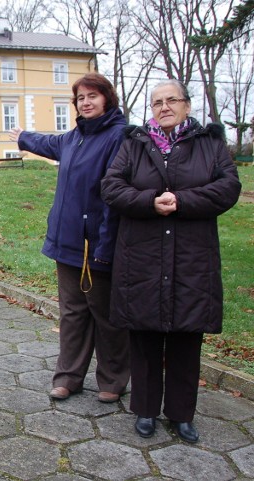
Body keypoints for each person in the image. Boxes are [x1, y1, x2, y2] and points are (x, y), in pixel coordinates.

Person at [101, 80, 241, 443]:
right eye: (156, 102)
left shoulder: (209, 143)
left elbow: (228, 187)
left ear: (187, 105)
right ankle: (145, 411)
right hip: (142, 257)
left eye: (171, 101)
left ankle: (182, 415)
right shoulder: (134, 144)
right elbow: (112, 187)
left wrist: (181, 201)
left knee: (185, 337)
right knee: (145, 335)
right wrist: (150, 201)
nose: (163, 107)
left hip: (192, 258)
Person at [9, 73, 130, 403]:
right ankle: (68, 377)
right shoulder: (76, 136)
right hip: (68, 244)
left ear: (107, 98)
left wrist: (105, 248)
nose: (86, 102)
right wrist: (23, 137)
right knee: (73, 313)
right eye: (80, 98)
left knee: (105, 316)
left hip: (99, 245)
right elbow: (50, 144)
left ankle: (113, 379)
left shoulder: (118, 137)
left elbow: (114, 197)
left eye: (93, 96)